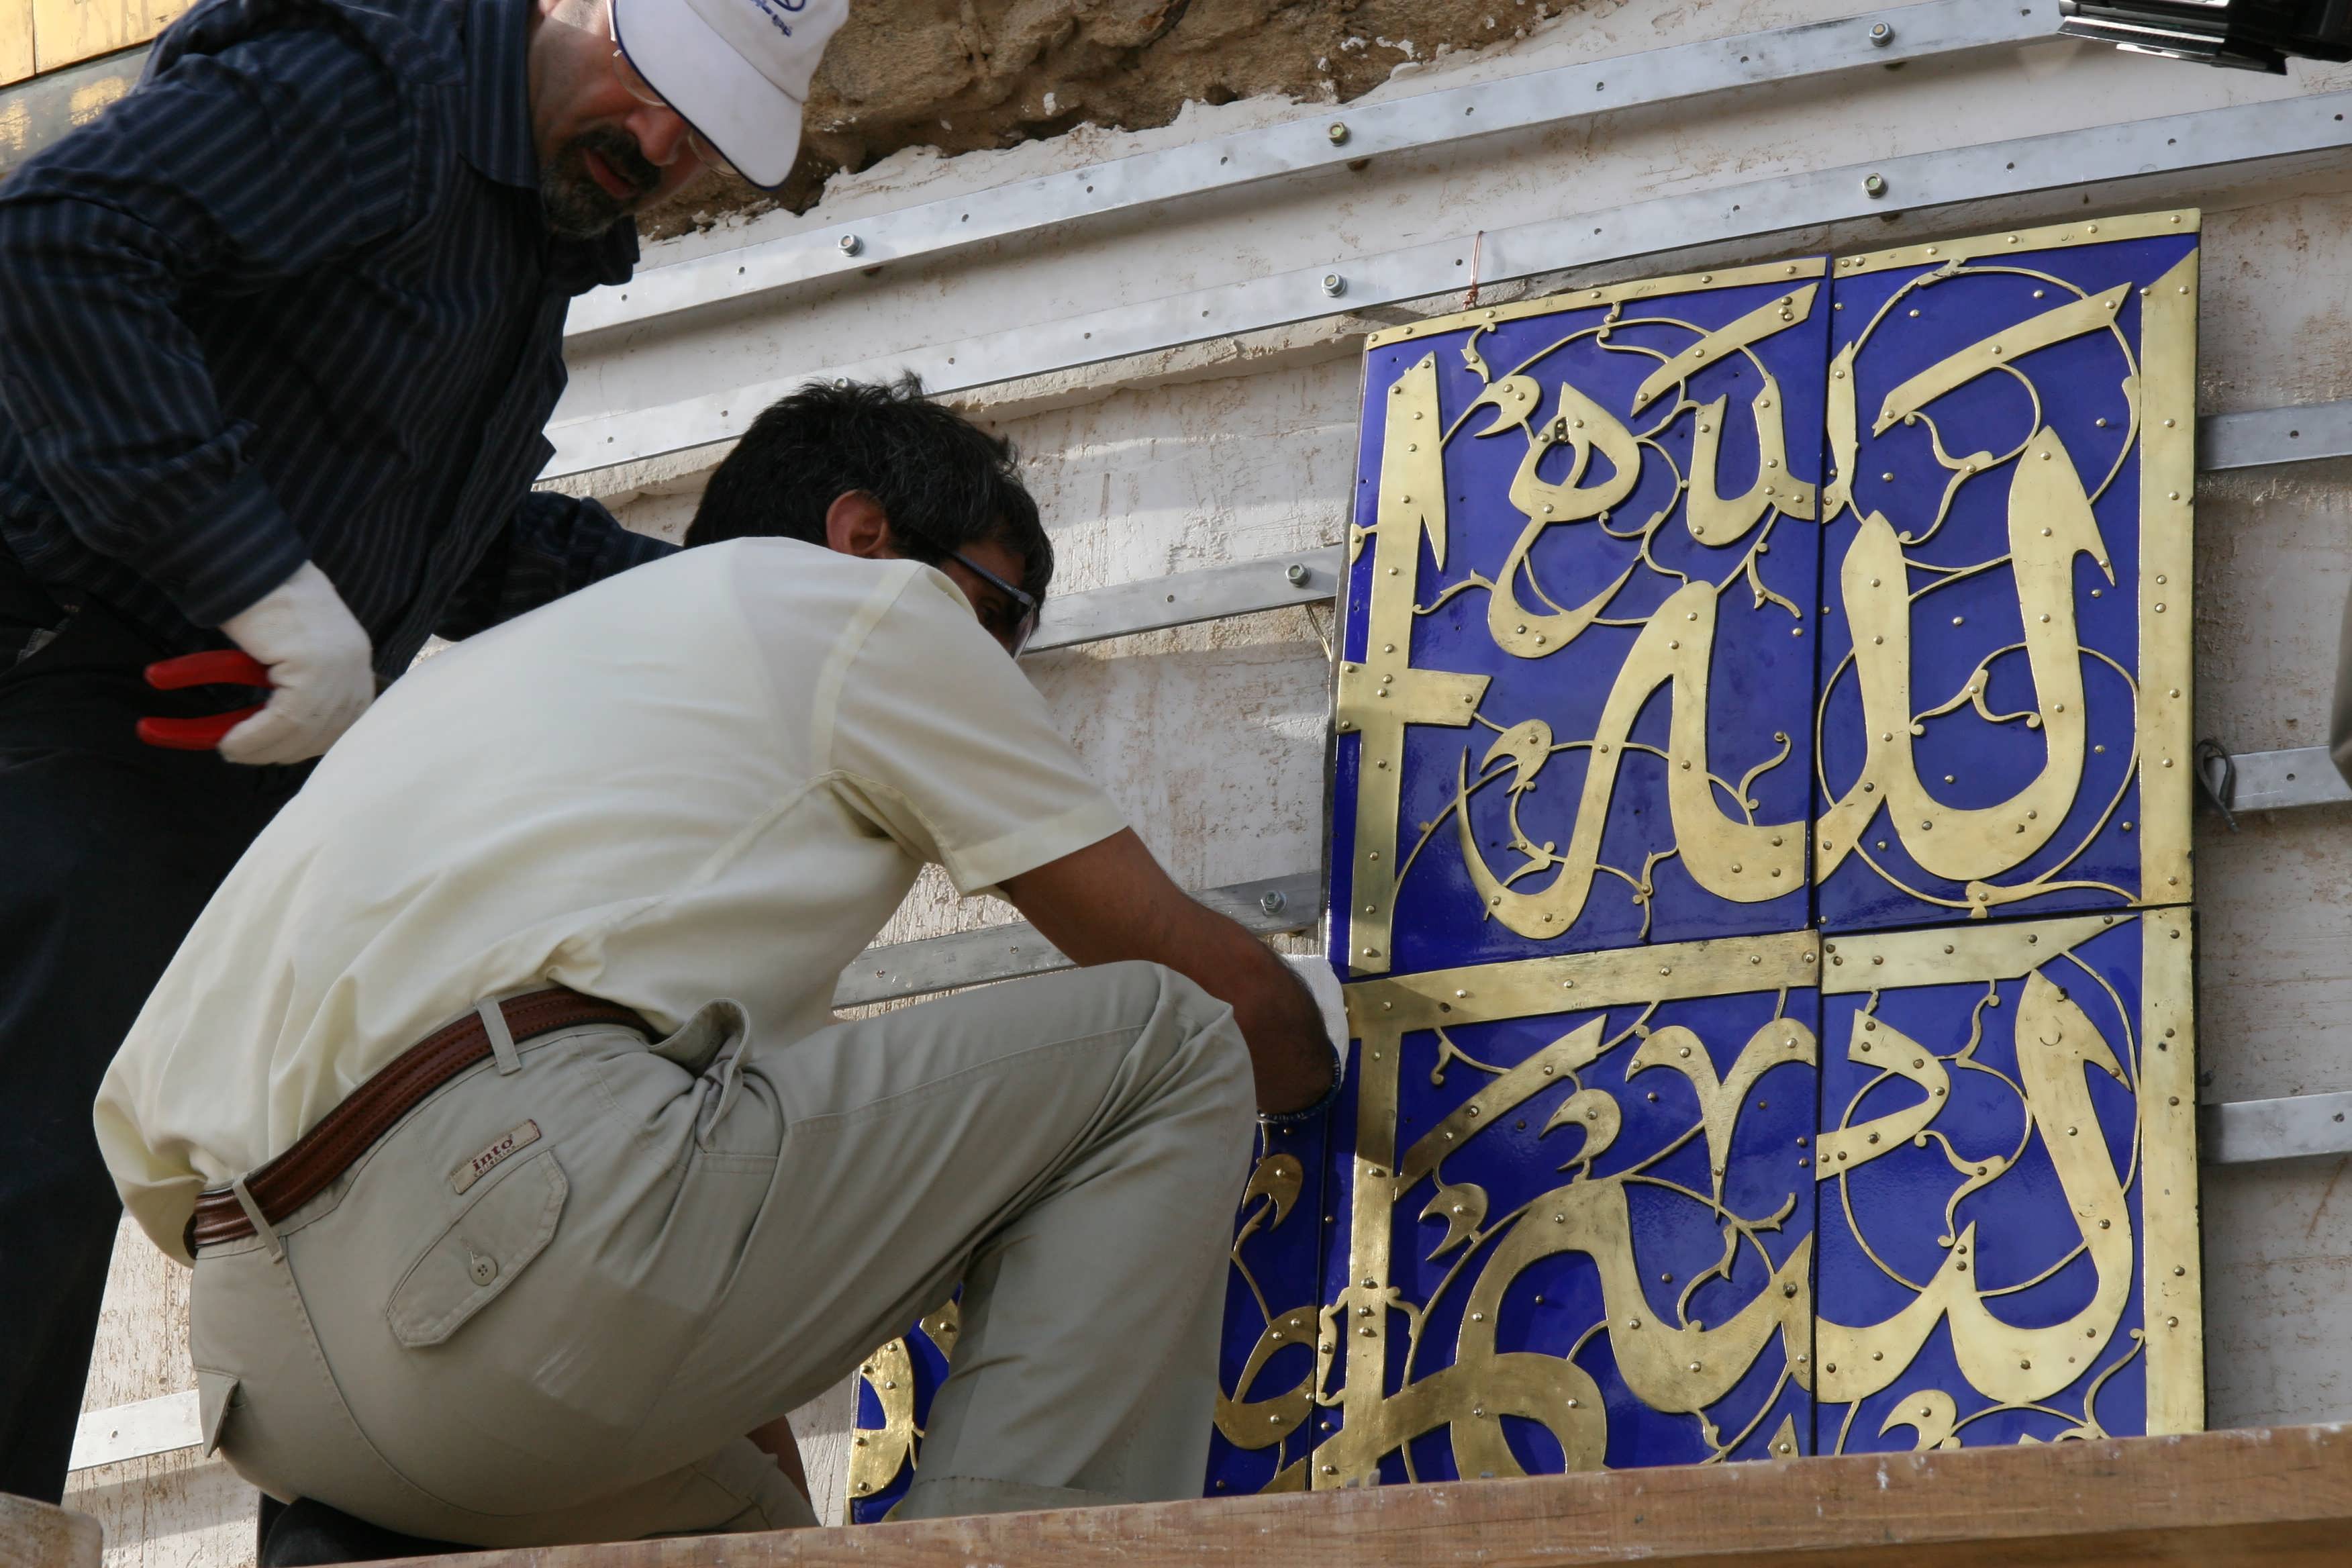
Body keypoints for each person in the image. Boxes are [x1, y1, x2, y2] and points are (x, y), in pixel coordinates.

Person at [92, 378, 1344, 1549]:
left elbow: (689, 1238)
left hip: (271, 1379)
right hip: (504, 1250)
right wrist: (1338, 1063)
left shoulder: (493, 692)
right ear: (863, 535)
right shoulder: (861, 606)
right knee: (1169, 1040)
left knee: (765, 1542)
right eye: (1000, 612)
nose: (1000, 664)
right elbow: (1207, 989)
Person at [0, 0, 847, 1500]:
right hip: (63, 681)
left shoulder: (521, 233)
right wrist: (258, 577)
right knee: (30, 1167)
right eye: (654, 79)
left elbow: (452, 531)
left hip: (188, 751)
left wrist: (747, 611)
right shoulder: (377, 93)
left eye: (711, 131)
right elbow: (55, 242)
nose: (661, 140)